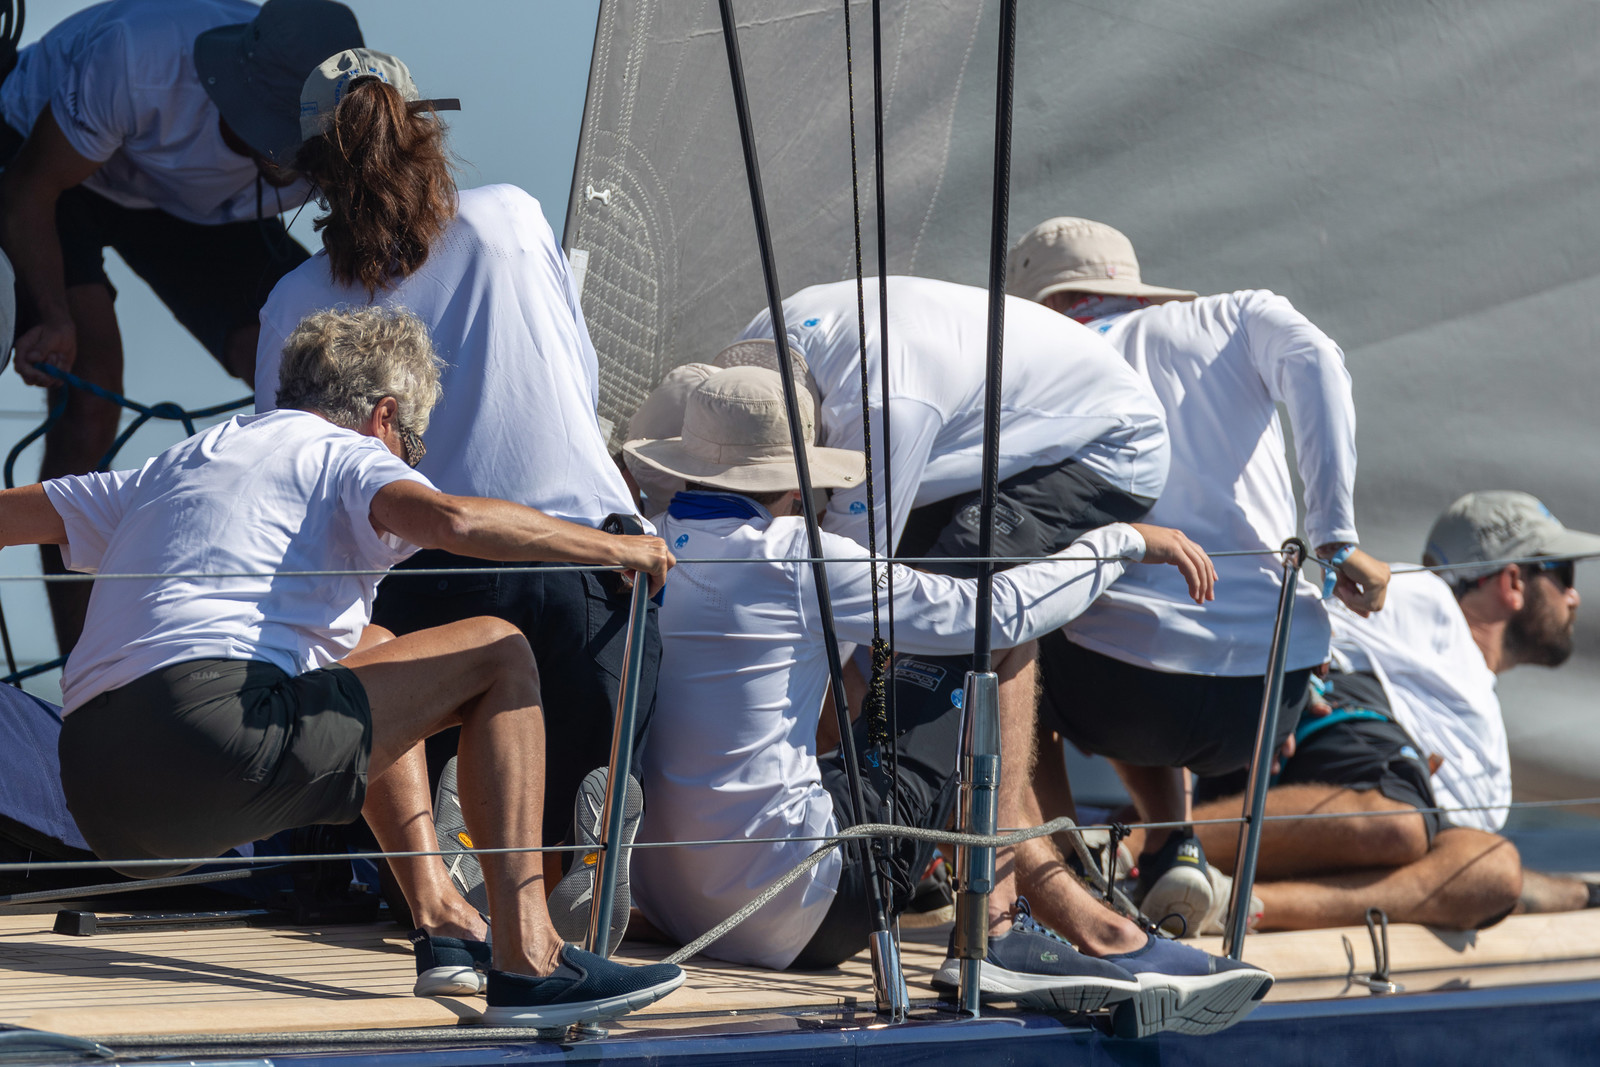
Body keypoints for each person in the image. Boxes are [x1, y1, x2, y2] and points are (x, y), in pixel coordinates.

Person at [0, 307, 684, 1027]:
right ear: (384, 416)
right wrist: (612, 547)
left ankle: (442, 921)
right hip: (210, 744)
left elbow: (12, 516)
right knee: (499, 651)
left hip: (93, 790)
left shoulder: (187, 460)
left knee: (374, 646)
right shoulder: (344, 454)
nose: (409, 458)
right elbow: (451, 520)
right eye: (412, 443)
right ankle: (531, 959)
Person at [625, 365, 1272, 1040]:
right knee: (1004, 638)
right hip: (794, 913)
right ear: (796, 482)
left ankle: (1052, 922)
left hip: (672, 904)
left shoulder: (643, 540)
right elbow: (989, 614)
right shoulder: (794, 554)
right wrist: (1124, 542)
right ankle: (1001, 933)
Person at [253, 50, 653, 949]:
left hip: (422, 584)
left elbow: (290, 470)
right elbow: (579, 375)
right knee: (572, 772)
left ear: (313, 171)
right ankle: (572, 874)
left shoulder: (296, 299)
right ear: (424, 129)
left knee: (412, 739)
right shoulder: (512, 218)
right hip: (581, 563)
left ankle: (464, 876)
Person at [1008, 216, 1390, 933]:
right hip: (1268, 696)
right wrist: (1335, 538)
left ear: (1050, 304)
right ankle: (1172, 841)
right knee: (1133, 628)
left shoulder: (1037, 357)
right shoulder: (1235, 315)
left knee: (1011, 633)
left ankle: (1062, 873)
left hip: (1119, 690)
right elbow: (1316, 358)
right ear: (1140, 296)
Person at [0, 0, 364, 656]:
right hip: (48, 165)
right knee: (89, 400)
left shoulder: (341, 145)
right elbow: (29, 189)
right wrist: (51, 314)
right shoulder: (139, 60)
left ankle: (298, 638)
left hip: (179, 202)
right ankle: (84, 672)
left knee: (310, 378)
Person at [1187, 491, 1596, 930]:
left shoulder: (1477, 705)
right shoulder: (1426, 599)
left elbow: (1440, 857)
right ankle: (1144, 846)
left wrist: (1585, 894)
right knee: (1399, 823)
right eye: (1562, 574)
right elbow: (1304, 619)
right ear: (1512, 582)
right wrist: (1290, 687)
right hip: (1295, 760)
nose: (1573, 596)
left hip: (1326, 837)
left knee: (1492, 868)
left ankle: (1235, 906)